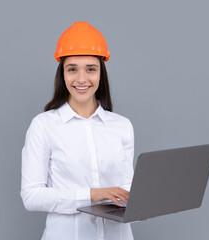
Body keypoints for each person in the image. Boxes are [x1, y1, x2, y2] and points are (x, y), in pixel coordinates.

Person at [20, 21, 135, 240]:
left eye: (91, 69)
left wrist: (141, 206)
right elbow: (31, 196)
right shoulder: (44, 126)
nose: (81, 79)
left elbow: (126, 189)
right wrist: (92, 195)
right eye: (72, 69)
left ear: (101, 73)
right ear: (62, 74)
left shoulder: (122, 126)